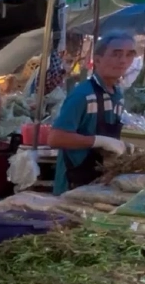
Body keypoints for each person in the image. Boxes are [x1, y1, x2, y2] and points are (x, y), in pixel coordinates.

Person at [47, 32, 138, 195]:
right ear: (97, 60)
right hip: (73, 184)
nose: (123, 60)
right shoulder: (83, 94)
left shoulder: (117, 94)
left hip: (99, 182)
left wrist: (121, 145)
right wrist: (99, 141)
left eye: (129, 55)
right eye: (116, 54)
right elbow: (55, 138)